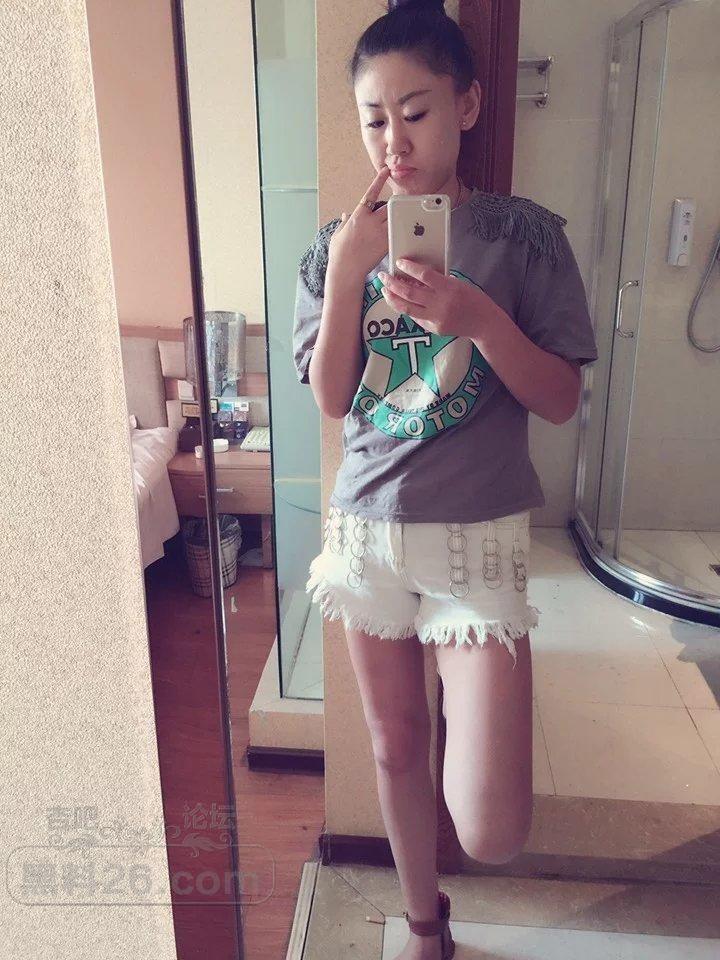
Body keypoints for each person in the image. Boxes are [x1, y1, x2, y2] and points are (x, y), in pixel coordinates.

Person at [292, 1, 599, 957]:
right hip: (368, 532)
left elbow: (560, 400)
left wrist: (477, 319)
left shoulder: (525, 240)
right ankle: (426, 924)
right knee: (393, 747)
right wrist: (346, 276)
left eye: (416, 112)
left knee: (493, 828)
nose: (394, 140)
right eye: (374, 119)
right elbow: (332, 399)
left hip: (476, 540)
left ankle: (453, 878)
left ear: (467, 106)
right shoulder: (334, 249)